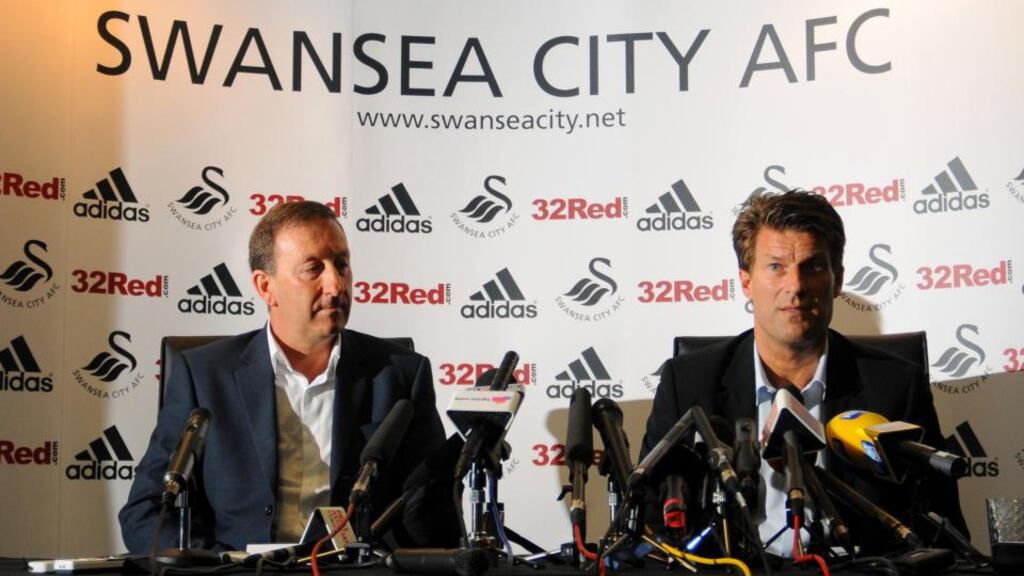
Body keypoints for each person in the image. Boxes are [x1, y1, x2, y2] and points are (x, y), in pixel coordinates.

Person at [640, 190, 967, 555]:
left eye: (812, 266)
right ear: (746, 282)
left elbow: (942, 530)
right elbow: (651, 528)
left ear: (837, 279)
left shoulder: (895, 387)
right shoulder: (687, 384)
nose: (795, 286)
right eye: (776, 266)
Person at [120, 201, 455, 552]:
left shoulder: (400, 377)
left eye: (342, 264)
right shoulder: (204, 377)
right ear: (266, 287)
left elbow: (429, 515)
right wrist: (217, 567)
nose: (336, 285)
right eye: (313, 269)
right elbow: (147, 512)